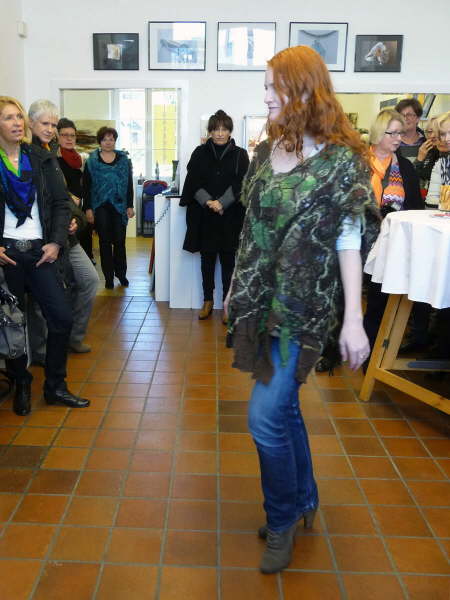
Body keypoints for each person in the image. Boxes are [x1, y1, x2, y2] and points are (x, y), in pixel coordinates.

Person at [225, 46, 377, 574]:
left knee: (264, 418)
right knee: (284, 410)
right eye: (265, 86)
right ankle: (305, 498)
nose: (266, 96)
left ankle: (282, 517)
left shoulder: (341, 163)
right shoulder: (266, 152)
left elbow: (349, 239)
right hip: (259, 302)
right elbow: (250, 226)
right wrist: (235, 285)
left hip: (305, 309)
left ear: (306, 90)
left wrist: (354, 320)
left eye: (275, 86)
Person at [0, 96, 89, 415]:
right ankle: (22, 382)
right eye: (8, 118)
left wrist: (56, 243)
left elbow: (62, 204)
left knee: (61, 317)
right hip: (7, 255)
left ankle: (55, 386)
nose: (16, 123)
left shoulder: (40, 158)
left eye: (18, 117)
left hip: (41, 252)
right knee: (12, 324)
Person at [27, 101, 99, 356]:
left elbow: (64, 199)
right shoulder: (26, 155)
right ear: (31, 123)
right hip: (41, 239)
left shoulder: (53, 155)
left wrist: (76, 220)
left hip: (66, 237)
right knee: (40, 297)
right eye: (45, 124)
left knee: (89, 280)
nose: (50, 129)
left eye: (53, 125)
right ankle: (42, 350)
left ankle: (72, 337)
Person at [362, 109, 425, 356]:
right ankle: (333, 351)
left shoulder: (405, 167)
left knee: (377, 299)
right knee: (344, 298)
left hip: (389, 242)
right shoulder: (357, 162)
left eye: (401, 133)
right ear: (379, 133)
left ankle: (371, 353)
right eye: (393, 133)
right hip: (357, 240)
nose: (399, 138)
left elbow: (415, 207)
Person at [180, 109, 249, 321]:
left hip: (230, 216)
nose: (220, 133)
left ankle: (226, 304)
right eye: (216, 129)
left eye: (224, 129)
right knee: (207, 260)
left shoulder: (240, 154)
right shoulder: (199, 152)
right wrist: (209, 201)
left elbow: (243, 182)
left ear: (230, 131)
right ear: (209, 131)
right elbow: (193, 181)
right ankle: (207, 301)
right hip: (206, 216)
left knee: (229, 261)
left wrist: (222, 202)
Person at [84, 126, 134, 289]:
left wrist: (130, 205)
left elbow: (129, 184)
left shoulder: (123, 160)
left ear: (115, 141)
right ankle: (108, 277)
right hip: (100, 206)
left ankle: (122, 274)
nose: (108, 142)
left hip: (119, 206)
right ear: (100, 141)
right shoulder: (92, 161)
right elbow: (86, 186)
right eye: (105, 139)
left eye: (111, 139)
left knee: (119, 241)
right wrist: (88, 208)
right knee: (104, 242)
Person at [395, 98, 425, 163]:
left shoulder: (426, 141)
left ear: (418, 118)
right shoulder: (391, 142)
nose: (405, 118)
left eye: (409, 115)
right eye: (401, 115)